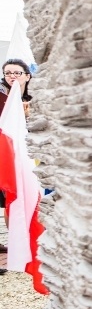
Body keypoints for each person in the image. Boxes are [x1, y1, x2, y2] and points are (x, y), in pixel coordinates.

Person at [0, 59, 34, 270]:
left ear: (27, 76)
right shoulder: (2, 100)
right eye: (8, 73)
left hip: (33, 156)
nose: (12, 76)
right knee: (9, 199)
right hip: (7, 155)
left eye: (17, 73)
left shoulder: (36, 99)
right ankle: (16, 242)